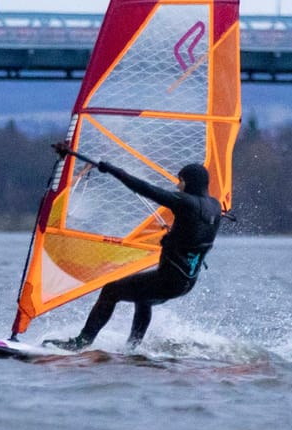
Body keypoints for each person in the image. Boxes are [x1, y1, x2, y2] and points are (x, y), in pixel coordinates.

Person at [43, 142, 223, 351]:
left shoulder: (186, 202)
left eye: (180, 181)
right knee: (144, 296)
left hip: (169, 280)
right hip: (186, 283)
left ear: (189, 182)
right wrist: (173, 235)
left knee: (111, 290)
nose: (177, 186)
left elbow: (146, 189)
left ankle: (81, 342)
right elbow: (194, 232)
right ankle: (132, 348)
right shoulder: (215, 206)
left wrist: (112, 170)